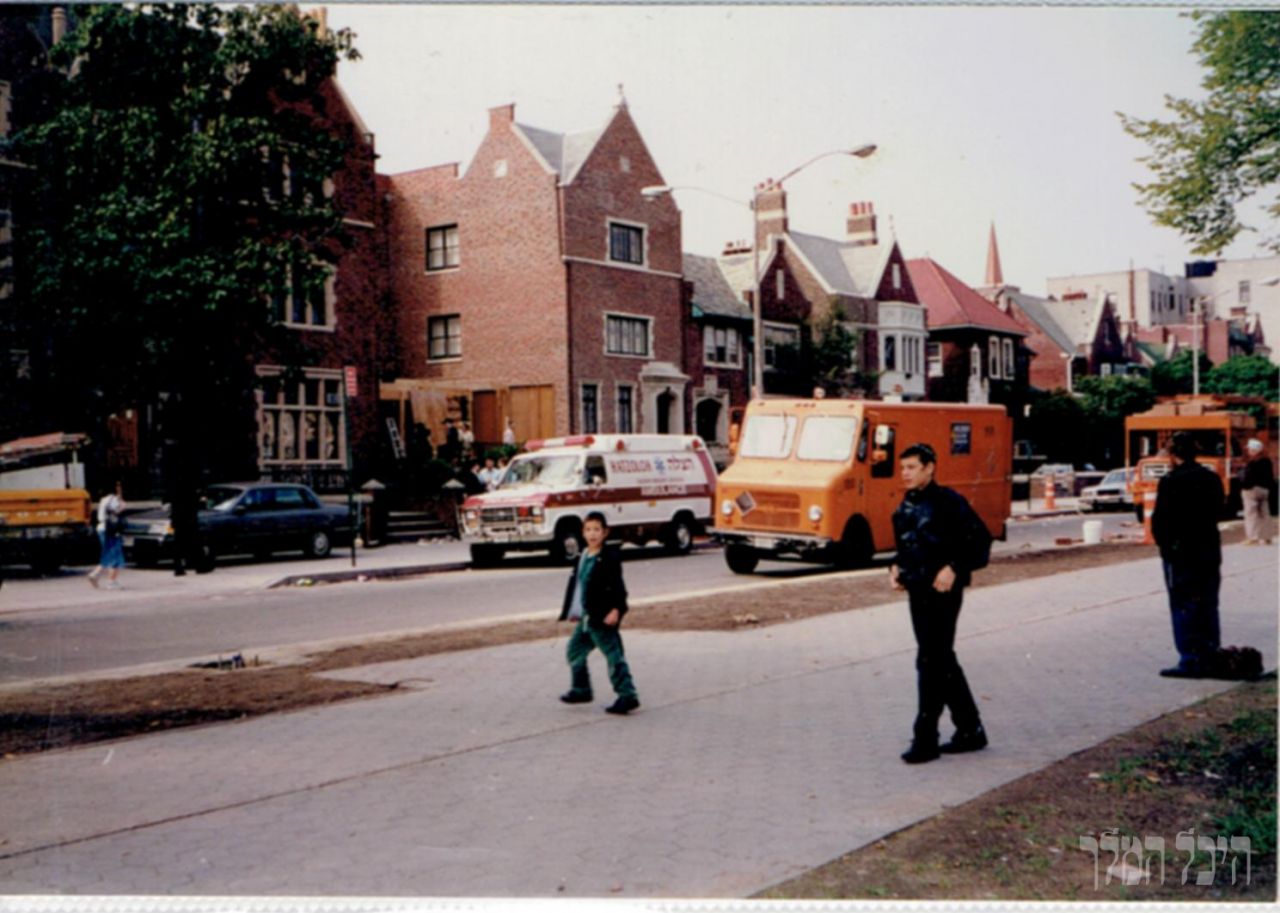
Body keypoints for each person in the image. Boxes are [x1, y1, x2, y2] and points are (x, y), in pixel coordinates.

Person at [889, 443, 987, 764]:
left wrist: (954, 567)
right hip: (918, 591)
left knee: (930, 660)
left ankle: (926, 737)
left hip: (944, 592)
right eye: (903, 468)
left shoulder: (949, 502)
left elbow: (979, 541)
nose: (905, 474)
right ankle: (970, 728)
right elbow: (906, 548)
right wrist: (895, 568)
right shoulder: (906, 506)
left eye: (912, 467)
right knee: (940, 659)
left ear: (929, 468)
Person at [1152, 432, 1224, 678]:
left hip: (1181, 552)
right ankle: (1210, 653)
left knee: (1184, 604)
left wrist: (1166, 547)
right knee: (1208, 602)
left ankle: (1191, 659)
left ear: (1173, 455)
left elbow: (1160, 520)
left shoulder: (1170, 481)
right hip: (1208, 548)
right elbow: (1219, 510)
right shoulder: (1211, 478)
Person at [558, 511, 640, 715]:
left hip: (603, 616)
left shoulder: (609, 558)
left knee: (613, 655)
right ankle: (581, 689)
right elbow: (578, 586)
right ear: (583, 533)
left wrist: (616, 610)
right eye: (588, 529)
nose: (592, 534)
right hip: (587, 616)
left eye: (596, 529)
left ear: (605, 533)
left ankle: (627, 695)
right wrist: (574, 610)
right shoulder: (584, 555)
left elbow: (619, 588)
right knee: (575, 650)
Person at [88, 481, 126, 590]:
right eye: (118, 486)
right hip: (111, 530)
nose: (120, 488)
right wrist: (122, 505)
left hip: (102, 528)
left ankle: (95, 574)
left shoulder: (104, 499)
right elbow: (116, 511)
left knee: (109, 553)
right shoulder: (114, 500)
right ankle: (111, 581)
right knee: (116, 556)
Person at [1241, 438, 1274, 545]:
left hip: (1252, 490)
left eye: (1249, 449)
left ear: (1254, 450)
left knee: (1251, 513)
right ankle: (1267, 537)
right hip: (1264, 490)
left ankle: (1252, 537)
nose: (1248, 451)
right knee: (1265, 513)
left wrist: (1244, 486)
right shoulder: (1267, 461)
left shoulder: (1253, 463)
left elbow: (1248, 477)